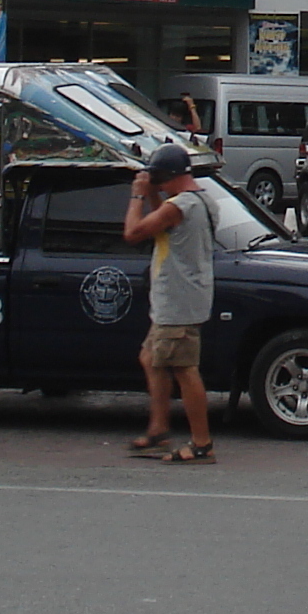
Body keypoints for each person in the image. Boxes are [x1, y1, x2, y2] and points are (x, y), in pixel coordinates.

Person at [121, 143, 213, 464]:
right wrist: (153, 196)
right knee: (150, 358)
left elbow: (133, 233)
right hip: (175, 300)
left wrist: (137, 195)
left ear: (168, 177)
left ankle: (202, 444)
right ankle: (159, 429)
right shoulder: (199, 199)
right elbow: (164, 220)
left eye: (159, 180)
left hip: (178, 303)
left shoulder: (182, 206)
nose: (155, 185)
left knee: (185, 370)